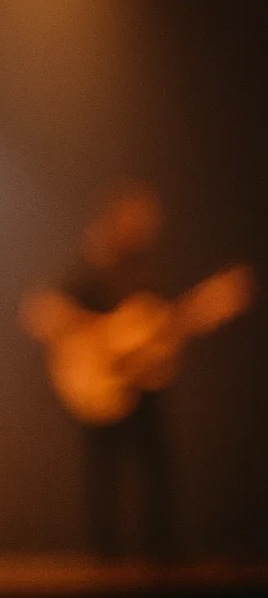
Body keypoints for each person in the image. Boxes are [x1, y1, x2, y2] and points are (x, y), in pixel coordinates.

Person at [21, 179, 252, 560]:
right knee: (105, 473)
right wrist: (103, 334)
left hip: (143, 384)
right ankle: (104, 558)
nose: (146, 225)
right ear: (118, 218)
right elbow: (41, 312)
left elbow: (166, 324)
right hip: (101, 387)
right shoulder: (91, 269)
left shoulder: (152, 269)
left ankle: (161, 559)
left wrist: (208, 307)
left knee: (157, 467)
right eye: (138, 216)